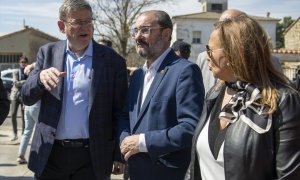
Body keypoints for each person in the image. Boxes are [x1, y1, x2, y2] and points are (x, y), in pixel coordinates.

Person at [21, 0, 128, 179]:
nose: (84, 27)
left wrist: (119, 154)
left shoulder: (112, 61)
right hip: (51, 155)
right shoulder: (47, 53)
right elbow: (26, 97)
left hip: (92, 157)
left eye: (88, 21)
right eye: (77, 22)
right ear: (61, 26)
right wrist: (39, 79)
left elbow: (121, 111)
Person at [189, 15, 300, 180]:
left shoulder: (284, 101)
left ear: (235, 52)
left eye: (210, 50)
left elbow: (289, 176)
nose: (207, 57)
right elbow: (195, 165)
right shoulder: (215, 92)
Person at [119, 10, 205, 180]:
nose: (137, 37)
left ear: (166, 34)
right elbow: (125, 115)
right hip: (135, 171)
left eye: (145, 30)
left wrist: (143, 142)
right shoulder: (138, 75)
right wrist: (125, 141)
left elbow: (190, 127)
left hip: (166, 173)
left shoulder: (185, 71)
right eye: (135, 31)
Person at [196, 9, 283, 94]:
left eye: (229, 26)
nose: (222, 30)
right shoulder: (204, 58)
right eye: (220, 25)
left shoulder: (281, 97)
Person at [17, 62, 40, 164]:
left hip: (27, 107)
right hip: (36, 107)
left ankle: (21, 155)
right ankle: (38, 157)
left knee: (27, 131)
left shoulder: (27, 81)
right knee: (40, 132)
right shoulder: (36, 80)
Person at [10, 56, 28, 141]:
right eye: (21, 62)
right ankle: (14, 134)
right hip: (15, 96)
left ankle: (23, 134)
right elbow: (15, 83)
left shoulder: (29, 71)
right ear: (19, 63)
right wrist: (25, 82)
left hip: (24, 97)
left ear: (26, 63)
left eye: (24, 62)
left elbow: (30, 83)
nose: (23, 63)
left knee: (24, 116)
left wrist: (24, 82)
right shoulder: (16, 71)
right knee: (13, 114)